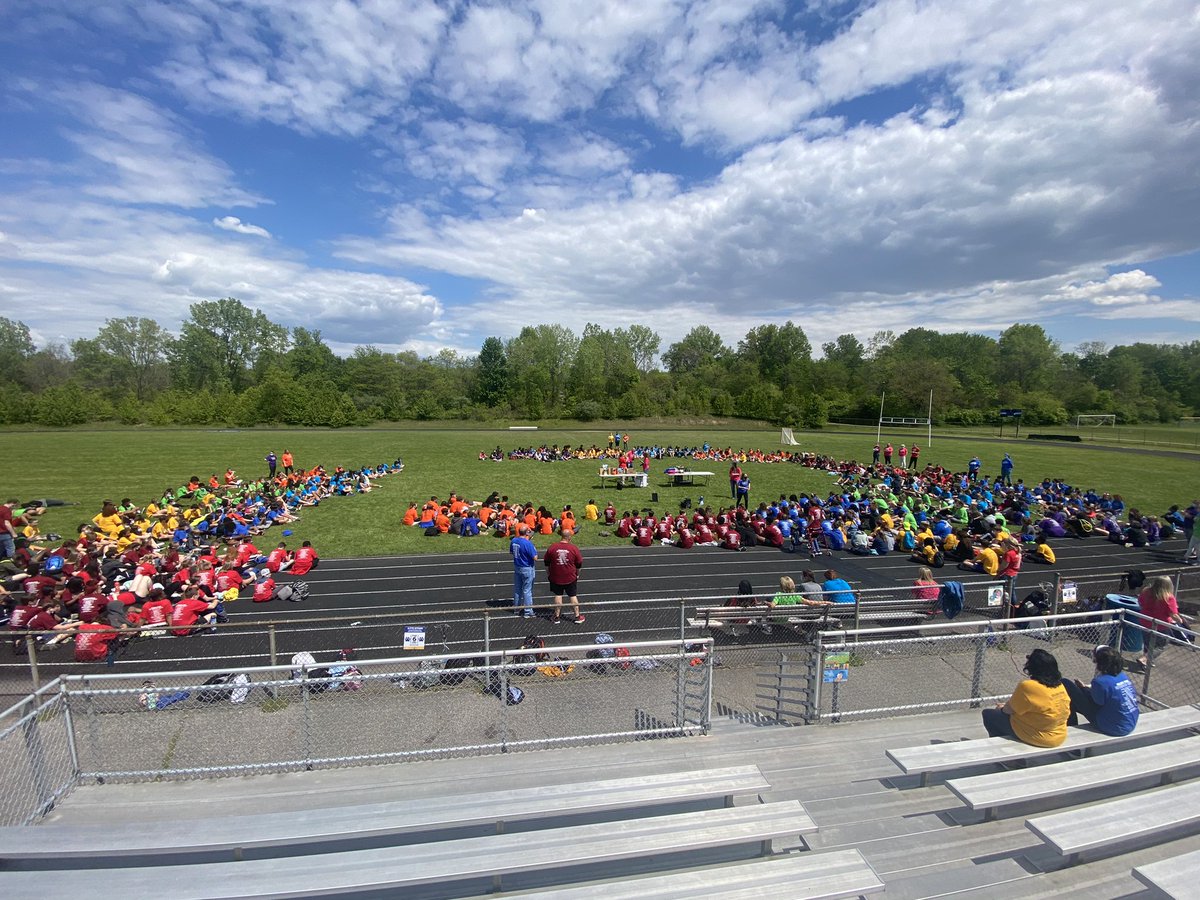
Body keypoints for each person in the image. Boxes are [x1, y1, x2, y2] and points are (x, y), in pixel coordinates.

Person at [982, 648, 1070, 747]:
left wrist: (1001, 708)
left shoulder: (1028, 686)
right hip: (1060, 735)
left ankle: (1007, 756)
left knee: (988, 714)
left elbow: (1007, 711)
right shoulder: (1060, 686)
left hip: (1042, 737)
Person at [1063, 645, 1139, 736]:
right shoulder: (1123, 676)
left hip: (1112, 726)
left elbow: (1097, 702)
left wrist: (1083, 689)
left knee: (1066, 684)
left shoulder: (1100, 682)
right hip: (1130, 721)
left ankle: (1071, 724)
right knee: (1077, 694)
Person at [1136, 575, 1186, 668]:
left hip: (1145, 621)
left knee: (1148, 643)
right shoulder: (1168, 598)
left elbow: (1140, 602)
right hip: (1161, 625)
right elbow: (1173, 615)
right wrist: (1180, 620)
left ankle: (1146, 662)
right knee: (1162, 644)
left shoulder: (1146, 591)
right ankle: (1145, 659)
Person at [543, 528, 585, 624]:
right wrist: (577, 574)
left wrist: (548, 573)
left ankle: (556, 617)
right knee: (573, 595)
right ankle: (577, 616)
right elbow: (579, 564)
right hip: (570, 576)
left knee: (558, 595)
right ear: (569, 537)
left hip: (556, 576)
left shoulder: (552, 547)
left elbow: (546, 562)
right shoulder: (573, 548)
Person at [510, 525, 537, 618]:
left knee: (517, 589)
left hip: (517, 566)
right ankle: (528, 611)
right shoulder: (527, 543)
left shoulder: (513, 540)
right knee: (527, 590)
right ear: (526, 533)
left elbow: (511, 552)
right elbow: (535, 557)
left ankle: (516, 608)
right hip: (527, 567)